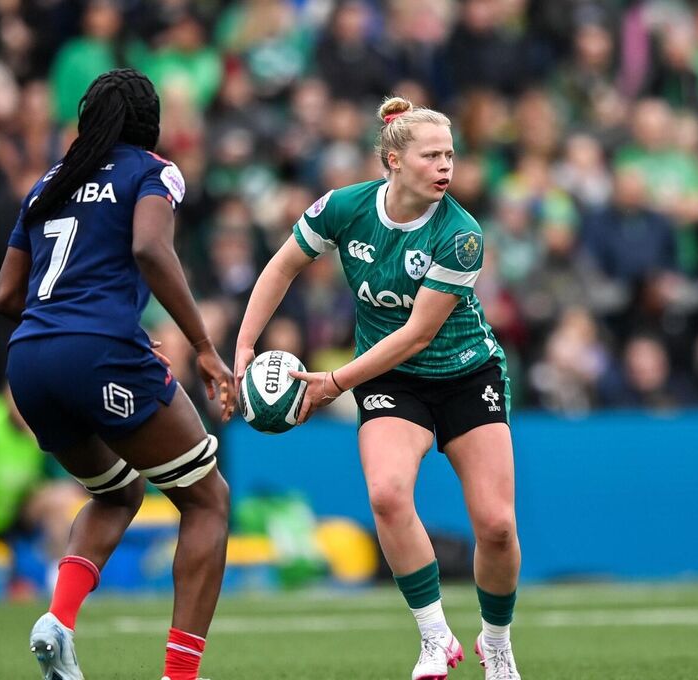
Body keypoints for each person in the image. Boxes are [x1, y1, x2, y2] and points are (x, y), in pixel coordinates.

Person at [235, 96, 521, 680]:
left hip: (466, 372)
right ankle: (434, 637)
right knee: (388, 494)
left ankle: (497, 645)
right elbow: (282, 266)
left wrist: (335, 382)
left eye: (450, 155)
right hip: (391, 379)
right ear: (392, 159)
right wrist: (243, 346)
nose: (446, 166)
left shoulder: (461, 234)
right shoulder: (344, 207)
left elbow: (418, 334)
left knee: (495, 524)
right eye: (431, 155)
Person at [0, 68, 235, 680]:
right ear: (147, 122)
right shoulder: (152, 169)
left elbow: (4, 296)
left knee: (118, 491)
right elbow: (151, 249)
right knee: (206, 500)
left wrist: (73, 328)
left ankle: (59, 621)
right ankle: (180, 676)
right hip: (97, 354)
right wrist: (203, 346)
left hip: (30, 361)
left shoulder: (48, 183)